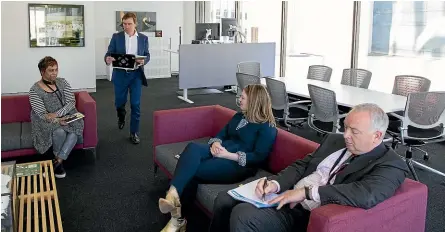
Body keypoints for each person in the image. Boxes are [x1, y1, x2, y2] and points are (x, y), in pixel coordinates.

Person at [210, 103, 409, 232]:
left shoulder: (391, 164)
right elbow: (301, 165)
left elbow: (367, 194)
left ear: (377, 136)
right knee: (224, 198)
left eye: (354, 131)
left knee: (243, 215)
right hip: (286, 194)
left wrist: (306, 193)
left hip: (308, 213)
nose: (345, 135)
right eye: (345, 127)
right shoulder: (334, 141)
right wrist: (275, 184)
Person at [158, 84, 278, 232]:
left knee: (191, 171)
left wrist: (228, 155)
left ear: (254, 101)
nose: (239, 100)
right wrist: (215, 142)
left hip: (238, 164)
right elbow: (222, 133)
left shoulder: (267, 128)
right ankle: (173, 194)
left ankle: (177, 219)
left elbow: (258, 157)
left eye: (243, 98)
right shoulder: (240, 116)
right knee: (192, 148)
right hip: (220, 151)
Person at [29, 56, 84, 178]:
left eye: (56, 69)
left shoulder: (62, 82)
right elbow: (43, 114)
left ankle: (58, 161)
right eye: (51, 70)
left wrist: (59, 115)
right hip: (44, 120)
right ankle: (58, 162)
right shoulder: (34, 90)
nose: (54, 73)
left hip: (66, 114)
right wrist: (58, 120)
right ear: (42, 72)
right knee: (59, 131)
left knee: (75, 131)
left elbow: (71, 102)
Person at [104, 12, 150, 144]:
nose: (126, 26)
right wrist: (107, 59)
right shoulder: (116, 37)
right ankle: (121, 114)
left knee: (135, 104)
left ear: (135, 24)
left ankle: (134, 132)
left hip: (136, 75)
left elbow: (147, 54)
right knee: (120, 102)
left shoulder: (143, 38)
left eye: (129, 24)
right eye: (124, 24)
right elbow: (109, 53)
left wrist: (144, 61)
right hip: (120, 74)